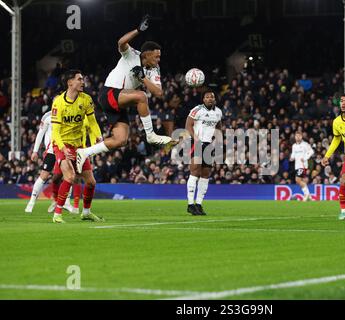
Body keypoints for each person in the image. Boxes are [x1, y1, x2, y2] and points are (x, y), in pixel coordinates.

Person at [76, 15, 177, 173]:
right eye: (156, 56)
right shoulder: (132, 54)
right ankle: (151, 135)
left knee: (120, 140)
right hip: (109, 93)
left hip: (120, 103)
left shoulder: (154, 70)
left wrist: (143, 79)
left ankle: (84, 152)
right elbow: (121, 42)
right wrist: (138, 30)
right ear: (146, 54)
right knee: (141, 96)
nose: (159, 60)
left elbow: (158, 92)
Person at [50, 69, 103, 223]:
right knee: (70, 176)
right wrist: (63, 148)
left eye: (82, 79)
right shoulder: (58, 103)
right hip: (62, 144)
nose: (82, 82)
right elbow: (55, 132)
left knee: (91, 182)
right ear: (70, 82)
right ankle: (57, 214)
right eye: (79, 79)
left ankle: (86, 212)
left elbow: (92, 122)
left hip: (79, 146)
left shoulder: (86, 99)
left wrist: (98, 137)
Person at [25, 110, 74, 213]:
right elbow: (40, 133)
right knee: (44, 175)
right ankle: (32, 201)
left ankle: (67, 202)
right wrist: (35, 151)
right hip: (52, 151)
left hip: (64, 150)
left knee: (68, 175)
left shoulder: (69, 114)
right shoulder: (47, 116)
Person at [185, 89, 222, 216]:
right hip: (197, 143)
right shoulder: (197, 110)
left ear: (214, 99)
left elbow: (218, 127)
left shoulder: (218, 112)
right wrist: (196, 139)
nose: (209, 98)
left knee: (206, 174)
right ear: (203, 99)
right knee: (195, 172)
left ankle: (199, 204)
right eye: (207, 97)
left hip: (209, 145)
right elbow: (188, 125)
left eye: (211, 96)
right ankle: (190, 204)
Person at [290, 132, 314, 201]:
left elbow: (311, 151)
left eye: (299, 136)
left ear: (301, 137)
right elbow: (293, 154)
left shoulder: (305, 144)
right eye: (296, 136)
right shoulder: (294, 146)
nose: (297, 137)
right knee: (302, 181)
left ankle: (306, 195)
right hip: (297, 166)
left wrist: (305, 158)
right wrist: (292, 157)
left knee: (297, 180)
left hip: (302, 165)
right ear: (295, 137)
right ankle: (309, 197)